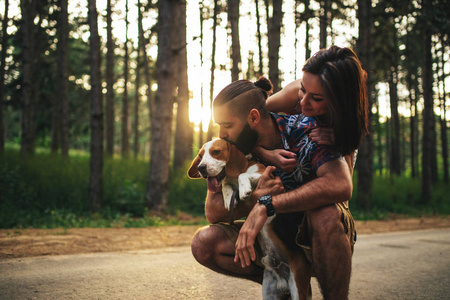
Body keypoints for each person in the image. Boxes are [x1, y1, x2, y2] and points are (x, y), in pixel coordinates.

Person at [191, 45, 368, 300]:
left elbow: (341, 186)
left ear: (336, 102)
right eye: (303, 92)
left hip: (313, 226)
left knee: (326, 213)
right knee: (203, 242)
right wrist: (263, 157)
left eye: (315, 98)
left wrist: (266, 204)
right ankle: (284, 281)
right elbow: (258, 111)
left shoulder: (319, 133)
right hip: (277, 233)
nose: (303, 102)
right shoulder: (264, 118)